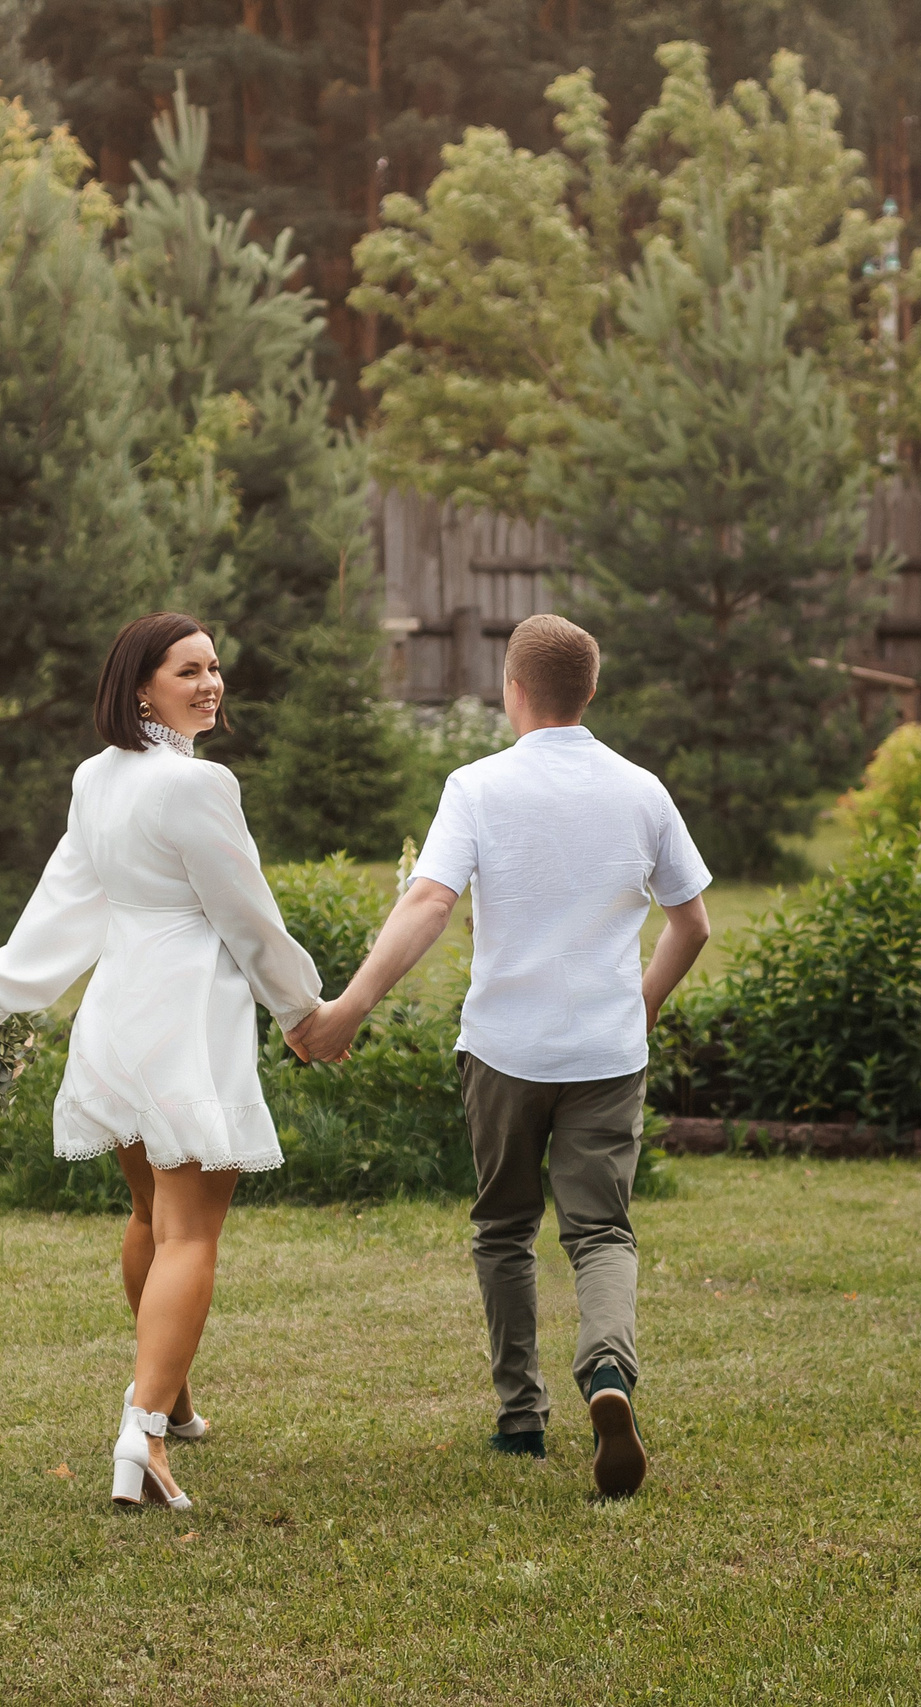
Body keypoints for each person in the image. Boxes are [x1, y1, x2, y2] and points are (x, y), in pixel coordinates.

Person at [298, 614, 710, 1498]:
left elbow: (429, 903)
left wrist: (348, 1009)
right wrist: (637, 1006)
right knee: (601, 1232)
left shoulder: (477, 785)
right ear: (591, 691)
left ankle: (522, 1417)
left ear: (511, 690)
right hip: (605, 1051)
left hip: (504, 1051)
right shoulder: (642, 789)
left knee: (504, 1228)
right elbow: (693, 923)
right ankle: (608, 1371)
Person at [0, 611, 323, 1512]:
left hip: (118, 1014)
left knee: (153, 1216)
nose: (211, 683)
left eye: (215, 667)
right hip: (185, 1013)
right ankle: (144, 1432)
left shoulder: (96, 776)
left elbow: (65, 903)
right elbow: (246, 914)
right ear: (141, 686)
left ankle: (174, 1398)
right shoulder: (198, 786)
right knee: (189, 1231)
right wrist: (303, 1011)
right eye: (188, 670)